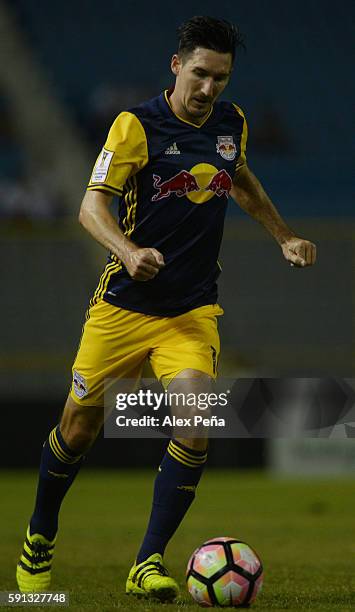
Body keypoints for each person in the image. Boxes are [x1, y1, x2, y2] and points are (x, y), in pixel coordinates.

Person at [16, 15, 316, 601]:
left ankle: (147, 561)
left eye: (221, 78)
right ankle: (39, 536)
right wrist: (128, 252)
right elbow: (89, 207)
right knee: (79, 429)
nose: (209, 89)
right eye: (200, 74)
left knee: (195, 417)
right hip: (122, 308)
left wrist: (283, 235)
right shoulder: (136, 126)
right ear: (176, 66)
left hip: (190, 310)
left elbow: (241, 177)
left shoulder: (232, 124)